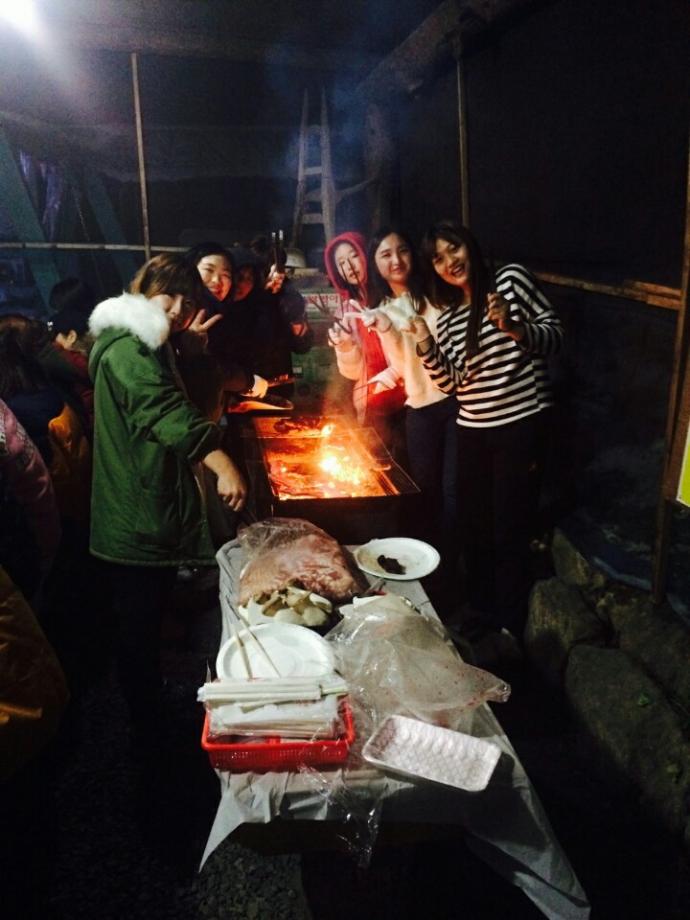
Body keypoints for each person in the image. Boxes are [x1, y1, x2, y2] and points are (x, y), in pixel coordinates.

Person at [88, 253, 246, 727]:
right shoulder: (127, 349)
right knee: (137, 628)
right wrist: (221, 462)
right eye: (169, 296)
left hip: (142, 504)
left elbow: (187, 401)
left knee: (148, 619)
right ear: (144, 289)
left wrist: (193, 358)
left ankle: (150, 701)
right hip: (132, 512)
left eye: (187, 302)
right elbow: (164, 411)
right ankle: (145, 731)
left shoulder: (155, 344)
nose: (178, 309)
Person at [412, 219, 563, 642]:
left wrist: (514, 327)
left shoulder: (510, 281)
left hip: (520, 422)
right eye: (438, 259)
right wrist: (424, 342)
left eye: (454, 249)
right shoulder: (449, 317)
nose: (449, 262)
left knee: (510, 528)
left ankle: (509, 627)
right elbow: (452, 383)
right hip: (472, 429)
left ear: (470, 245)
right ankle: (481, 615)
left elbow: (556, 336)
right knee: (473, 528)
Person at [363, 228, 459, 613]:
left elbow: (453, 350)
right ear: (376, 264)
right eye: (385, 254)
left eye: (402, 250)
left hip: (457, 402)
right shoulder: (383, 309)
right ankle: (423, 577)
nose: (396, 260)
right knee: (425, 494)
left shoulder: (435, 294)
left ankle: (451, 580)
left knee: (454, 494)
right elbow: (404, 368)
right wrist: (387, 332)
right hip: (420, 408)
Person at [324, 231, 405, 426]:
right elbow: (354, 373)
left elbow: (411, 352)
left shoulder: (393, 298)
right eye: (341, 263)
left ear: (367, 255)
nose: (349, 266)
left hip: (409, 398)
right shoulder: (346, 311)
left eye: (354, 256)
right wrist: (345, 347)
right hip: (371, 403)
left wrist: (392, 375)